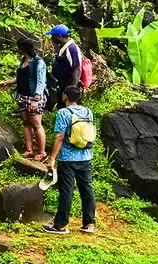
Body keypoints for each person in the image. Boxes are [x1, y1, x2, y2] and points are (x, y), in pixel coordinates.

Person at [43, 86, 96, 235]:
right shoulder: (88, 111)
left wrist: (52, 158)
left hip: (68, 158)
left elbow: (60, 137)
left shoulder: (63, 113)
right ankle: (89, 223)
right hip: (86, 156)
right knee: (87, 189)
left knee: (67, 191)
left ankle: (61, 225)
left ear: (65, 96)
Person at [0, 39, 48, 161]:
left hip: (35, 97)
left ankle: (42, 152)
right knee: (26, 122)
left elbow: (41, 82)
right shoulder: (23, 60)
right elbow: (21, 77)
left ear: (23, 48)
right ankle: (29, 150)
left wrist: (36, 99)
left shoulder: (39, 62)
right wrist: (8, 82)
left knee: (36, 123)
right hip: (23, 95)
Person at [47, 24, 83, 109]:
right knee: (61, 108)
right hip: (62, 86)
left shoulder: (72, 49)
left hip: (69, 87)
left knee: (69, 109)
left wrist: (72, 89)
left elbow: (77, 69)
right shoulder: (63, 47)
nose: (51, 38)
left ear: (59, 36)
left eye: (53, 36)